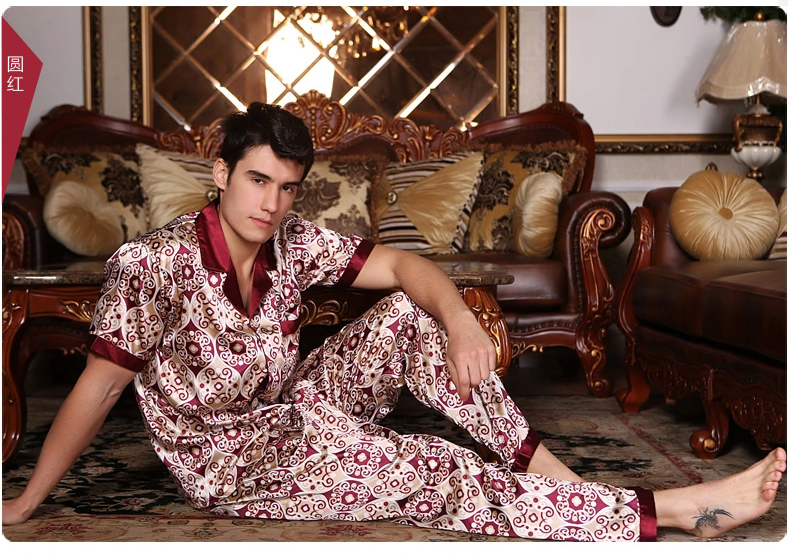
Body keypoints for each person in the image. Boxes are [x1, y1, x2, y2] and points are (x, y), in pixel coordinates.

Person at [2, 102, 785, 541]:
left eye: (286, 187)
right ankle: (676, 509)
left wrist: (461, 322)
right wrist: (29, 502)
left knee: (415, 313)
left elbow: (408, 269)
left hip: (291, 404)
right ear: (220, 174)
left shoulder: (291, 238)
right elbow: (98, 391)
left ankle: (557, 480)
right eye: (256, 181)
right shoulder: (151, 265)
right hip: (230, 458)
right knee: (434, 468)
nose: (270, 203)